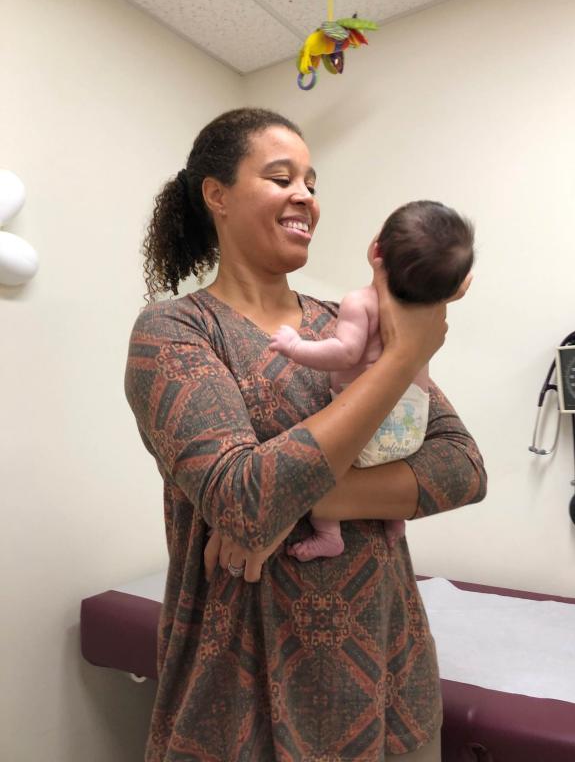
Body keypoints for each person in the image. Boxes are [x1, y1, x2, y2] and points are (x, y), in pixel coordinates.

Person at [125, 107, 486, 762]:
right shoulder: (175, 332)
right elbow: (240, 499)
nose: (306, 197)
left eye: (312, 183)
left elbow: (461, 468)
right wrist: (406, 355)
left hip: (389, 682)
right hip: (240, 695)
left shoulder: (344, 321)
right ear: (217, 195)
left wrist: (301, 503)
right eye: (281, 177)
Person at [269, 201, 475, 562]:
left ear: (377, 250)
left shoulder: (360, 302)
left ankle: (328, 534)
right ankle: (394, 519)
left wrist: (296, 347)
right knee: (388, 467)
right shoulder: (427, 310)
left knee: (329, 468)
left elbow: (345, 353)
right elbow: (462, 284)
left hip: (368, 425)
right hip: (412, 426)